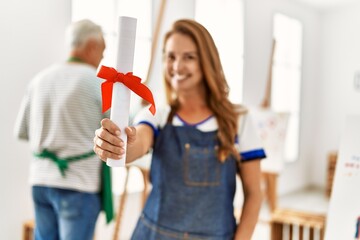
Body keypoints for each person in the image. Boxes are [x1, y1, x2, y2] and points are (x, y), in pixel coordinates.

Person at [93, 19, 266, 240]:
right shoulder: (157, 115)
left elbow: (254, 195)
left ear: (207, 62)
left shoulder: (238, 121)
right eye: (171, 57)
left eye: (189, 57)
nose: (177, 66)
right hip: (154, 234)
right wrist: (117, 145)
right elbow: (138, 142)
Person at [14, 19, 109, 240]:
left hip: (40, 181)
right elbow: (116, 130)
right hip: (78, 185)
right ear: (92, 46)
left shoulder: (39, 80)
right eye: (102, 51)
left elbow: (22, 131)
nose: (103, 57)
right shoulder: (98, 83)